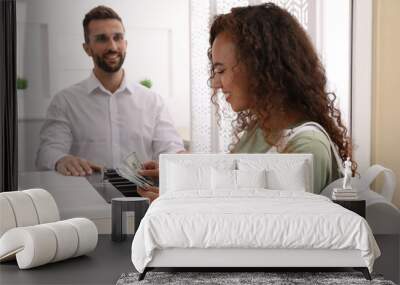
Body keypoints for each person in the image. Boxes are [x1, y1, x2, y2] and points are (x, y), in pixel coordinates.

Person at [138, 3, 356, 202]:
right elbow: (235, 189)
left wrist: (177, 204)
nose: (215, 83)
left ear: (259, 67)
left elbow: (266, 230)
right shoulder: (261, 129)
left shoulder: (306, 148)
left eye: (221, 70)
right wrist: (177, 175)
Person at [36, 6, 185, 176]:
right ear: (87, 48)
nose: (112, 46)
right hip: (85, 199)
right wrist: (61, 159)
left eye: (118, 38)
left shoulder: (153, 101)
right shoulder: (65, 102)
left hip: (143, 198)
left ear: (126, 44)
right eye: (101, 39)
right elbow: (46, 153)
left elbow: (171, 150)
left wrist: (182, 158)